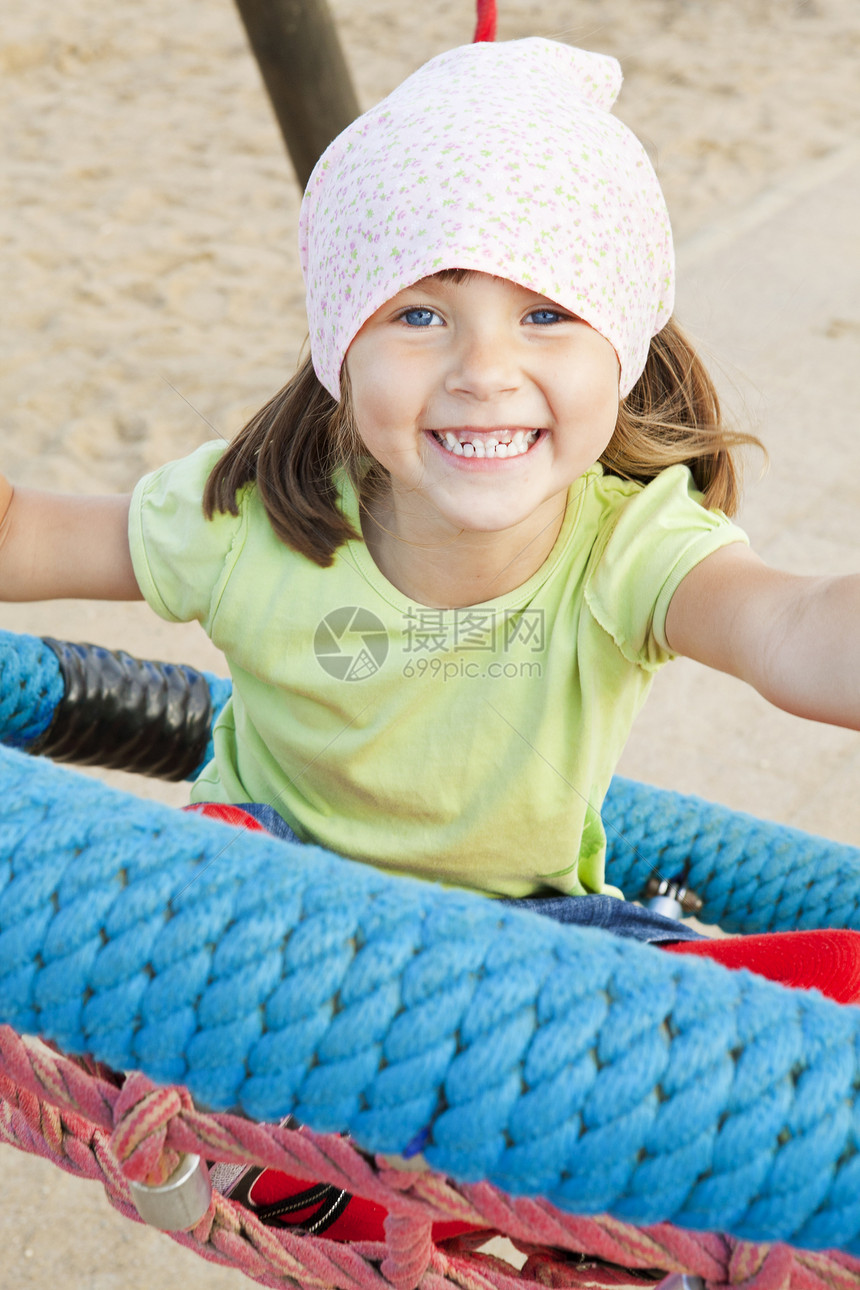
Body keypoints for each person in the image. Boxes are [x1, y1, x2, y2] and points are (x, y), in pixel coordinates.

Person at [3, 33, 859, 1237]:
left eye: (546, 313)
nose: (482, 372)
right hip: (271, 910)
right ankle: (331, 1164)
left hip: (518, 939)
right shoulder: (256, 520)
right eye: (418, 312)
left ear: (622, 349)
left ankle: (529, 1199)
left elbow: (793, 625)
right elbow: (29, 534)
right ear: (338, 346)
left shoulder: (623, 548)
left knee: (789, 1024)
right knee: (207, 910)